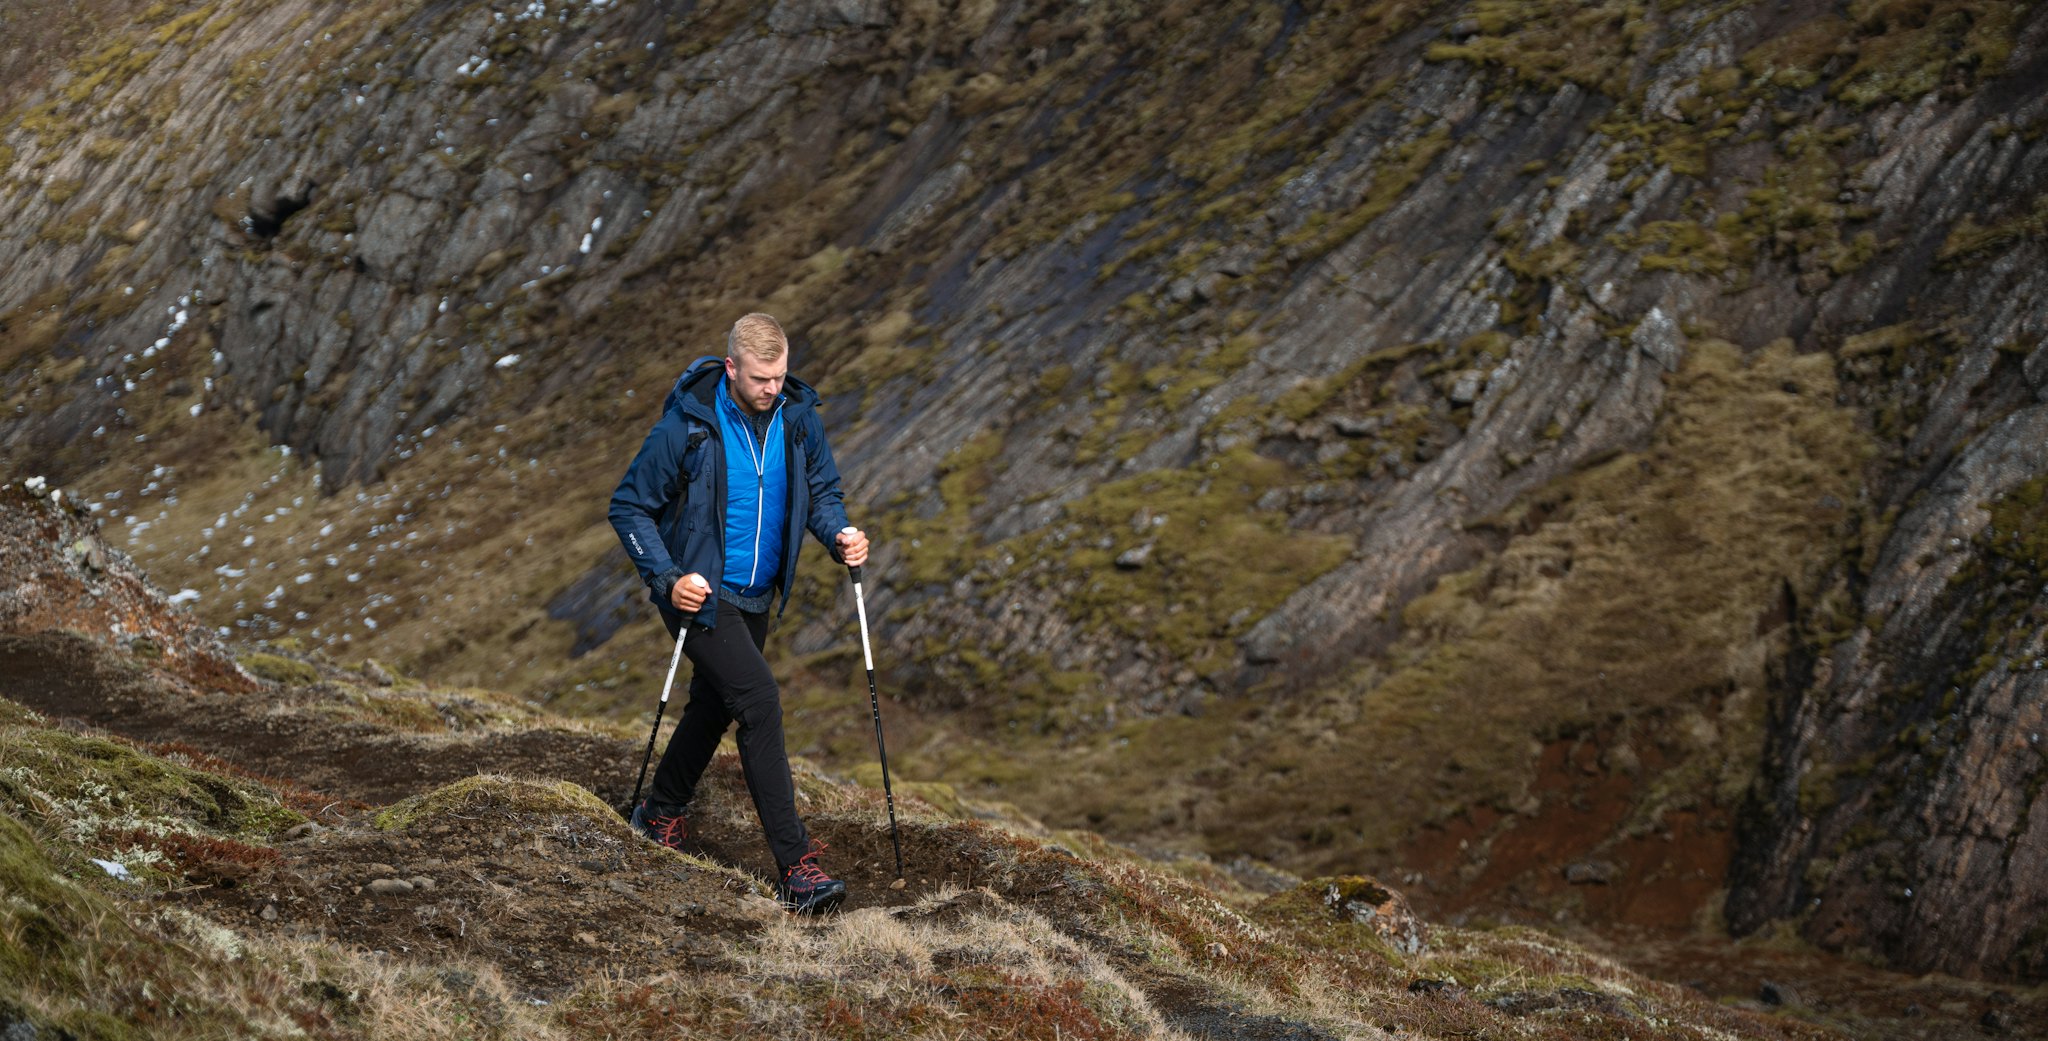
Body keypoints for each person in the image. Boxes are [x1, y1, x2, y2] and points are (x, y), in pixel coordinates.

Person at [607, 312, 869, 915]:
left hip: (757, 596)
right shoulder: (687, 428)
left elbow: (823, 495)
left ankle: (660, 811)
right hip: (699, 594)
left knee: (716, 703)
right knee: (758, 702)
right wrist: (668, 579)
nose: (772, 388)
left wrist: (840, 536)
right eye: (759, 378)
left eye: (779, 376)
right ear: (731, 369)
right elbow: (629, 508)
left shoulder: (799, 422)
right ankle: (797, 867)